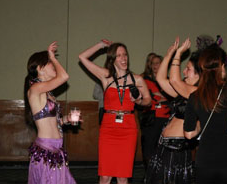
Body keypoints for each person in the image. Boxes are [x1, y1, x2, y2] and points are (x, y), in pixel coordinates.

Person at [78, 39, 151, 184]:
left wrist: (138, 101)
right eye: (119, 55)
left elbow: (148, 100)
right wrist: (100, 45)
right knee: (105, 176)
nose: (123, 58)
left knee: (123, 176)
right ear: (112, 59)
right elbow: (82, 57)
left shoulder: (137, 79)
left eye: (125, 55)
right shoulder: (106, 76)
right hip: (109, 127)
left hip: (128, 128)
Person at [184, 40, 227, 184]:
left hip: (206, 162)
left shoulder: (194, 97)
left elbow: (189, 134)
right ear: (223, 67)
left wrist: (201, 123)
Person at [145, 37, 201, 184]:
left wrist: (179, 54)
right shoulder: (183, 91)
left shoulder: (198, 92)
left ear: (198, 75)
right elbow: (161, 79)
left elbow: (174, 80)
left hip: (177, 150)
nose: (184, 71)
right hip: (164, 146)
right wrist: (169, 55)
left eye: (188, 69)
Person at [24, 42, 77, 184]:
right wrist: (53, 57)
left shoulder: (48, 92)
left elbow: (52, 122)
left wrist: (66, 119)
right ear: (40, 68)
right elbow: (64, 76)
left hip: (56, 150)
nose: (54, 66)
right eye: (50, 64)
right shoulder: (35, 89)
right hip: (47, 150)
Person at [140, 54, 171, 169]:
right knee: (148, 148)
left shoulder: (167, 80)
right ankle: (149, 174)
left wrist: (161, 96)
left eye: (158, 63)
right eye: (153, 63)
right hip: (151, 118)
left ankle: (160, 173)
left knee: (163, 148)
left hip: (165, 117)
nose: (155, 65)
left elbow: (173, 97)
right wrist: (161, 97)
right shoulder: (145, 80)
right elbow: (147, 97)